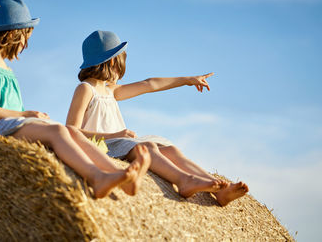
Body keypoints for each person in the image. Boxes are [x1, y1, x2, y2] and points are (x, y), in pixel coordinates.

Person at [0, 0, 150, 199]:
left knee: (69, 132)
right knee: (56, 131)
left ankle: (119, 175)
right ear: (12, 34)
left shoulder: (6, 70)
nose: (25, 45)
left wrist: (28, 118)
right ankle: (97, 177)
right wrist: (24, 114)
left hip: (4, 127)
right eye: (25, 38)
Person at [66, 30, 249, 206]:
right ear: (114, 61)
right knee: (148, 147)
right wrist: (115, 134)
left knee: (170, 149)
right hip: (104, 147)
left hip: (121, 142)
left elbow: (150, 84)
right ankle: (183, 180)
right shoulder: (85, 89)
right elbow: (71, 131)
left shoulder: (110, 90)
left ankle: (218, 189)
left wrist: (187, 80)